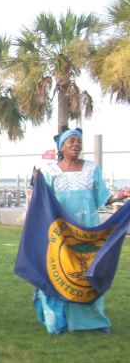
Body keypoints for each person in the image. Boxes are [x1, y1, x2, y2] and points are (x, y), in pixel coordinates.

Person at [33, 128, 130, 333]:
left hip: (89, 231)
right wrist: (36, 181)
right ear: (62, 147)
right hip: (61, 232)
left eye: (79, 142)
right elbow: (42, 202)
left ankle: (93, 322)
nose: (76, 145)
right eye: (71, 142)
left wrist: (120, 195)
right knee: (61, 271)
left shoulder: (92, 169)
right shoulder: (50, 171)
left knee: (88, 274)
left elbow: (102, 197)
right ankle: (60, 320)